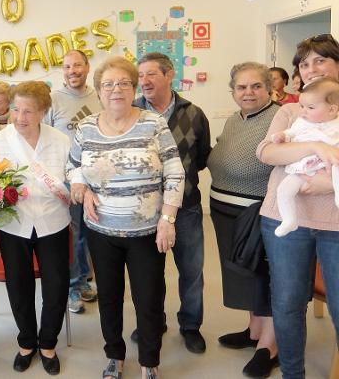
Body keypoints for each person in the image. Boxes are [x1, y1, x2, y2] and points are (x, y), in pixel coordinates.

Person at [66, 56, 185, 379]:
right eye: (108, 84)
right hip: (101, 231)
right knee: (109, 298)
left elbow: (175, 170)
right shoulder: (86, 127)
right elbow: (73, 166)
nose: (115, 89)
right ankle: (114, 357)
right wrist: (81, 188)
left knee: (148, 300)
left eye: (123, 83)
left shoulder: (153, 123)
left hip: (147, 232)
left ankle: (149, 362)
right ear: (99, 90)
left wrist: (168, 219)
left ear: (133, 88)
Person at [257, 33, 339, 378]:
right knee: (288, 304)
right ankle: (293, 373)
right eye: (304, 63)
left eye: (320, 59)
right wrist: (317, 150)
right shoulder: (291, 110)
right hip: (284, 218)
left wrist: (323, 183)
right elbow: (267, 152)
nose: (311, 68)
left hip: (335, 224)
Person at [0, 81, 71, 376]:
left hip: (53, 222)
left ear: (43, 112)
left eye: (28, 111)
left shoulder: (61, 141)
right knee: (19, 284)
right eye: (16, 110)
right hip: (14, 224)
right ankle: (26, 343)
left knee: (56, 285)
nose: (21, 117)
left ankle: (48, 343)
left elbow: (72, 180)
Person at [133, 52, 211, 354]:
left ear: (169, 75)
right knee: (148, 274)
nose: (145, 81)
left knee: (191, 271)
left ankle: (191, 326)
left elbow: (202, 157)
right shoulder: (132, 111)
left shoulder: (194, 113)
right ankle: (153, 323)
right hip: (146, 209)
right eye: (141, 76)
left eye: (151, 73)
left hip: (187, 208)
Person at [207, 62, 280, 378]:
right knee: (246, 275)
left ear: (269, 88)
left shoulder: (280, 116)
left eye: (255, 86)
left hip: (259, 212)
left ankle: (271, 345)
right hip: (226, 210)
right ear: (233, 91)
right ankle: (254, 331)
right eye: (241, 87)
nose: (248, 92)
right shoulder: (236, 120)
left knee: (267, 276)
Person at [44, 49, 101, 314]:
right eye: (67, 67)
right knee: (75, 233)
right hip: (67, 179)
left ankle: (84, 278)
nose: (72, 71)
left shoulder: (100, 94)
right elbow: (43, 138)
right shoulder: (53, 99)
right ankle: (73, 287)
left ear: (87, 67)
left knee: (92, 232)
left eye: (77, 65)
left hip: (100, 178)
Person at [271, 78, 339, 236]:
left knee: (336, 168)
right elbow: (290, 134)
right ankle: (289, 220)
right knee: (284, 190)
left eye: (310, 107)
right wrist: (282, 136)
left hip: (331, 164)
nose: (303, 111)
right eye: (302, 106)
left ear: (332, 109)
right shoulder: (302, 122)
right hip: (304, 167)